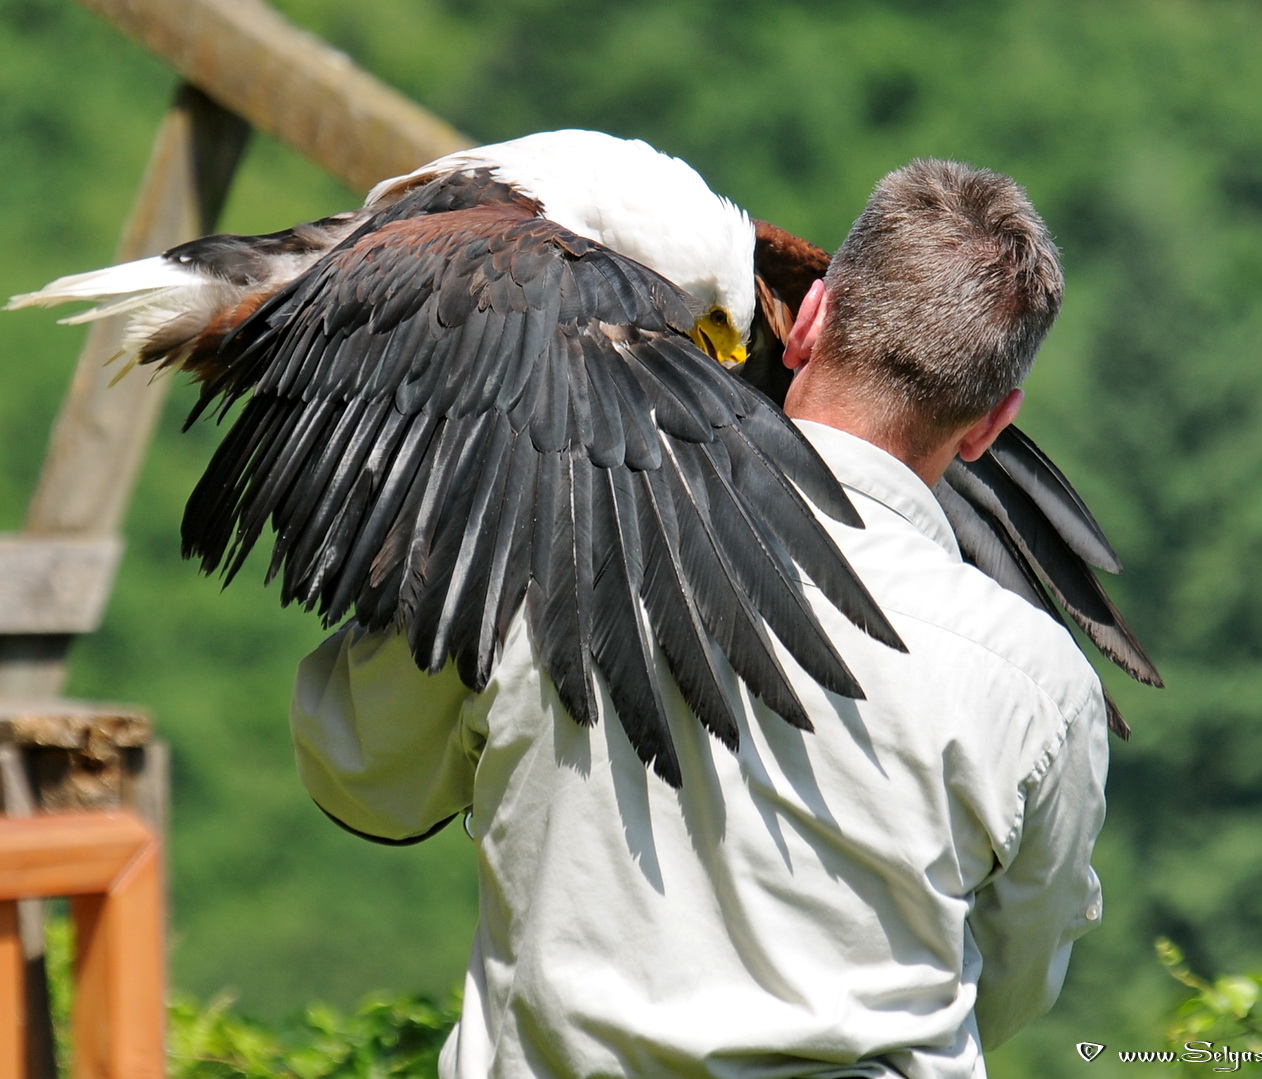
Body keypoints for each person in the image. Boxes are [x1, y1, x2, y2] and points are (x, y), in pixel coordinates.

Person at [290, 158, 1108, 1078]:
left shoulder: (550, 517)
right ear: (990, 426)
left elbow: (362, 768)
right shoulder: (1038, 683)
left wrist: (447, 518)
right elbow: (1010, 979)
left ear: (808, 321)